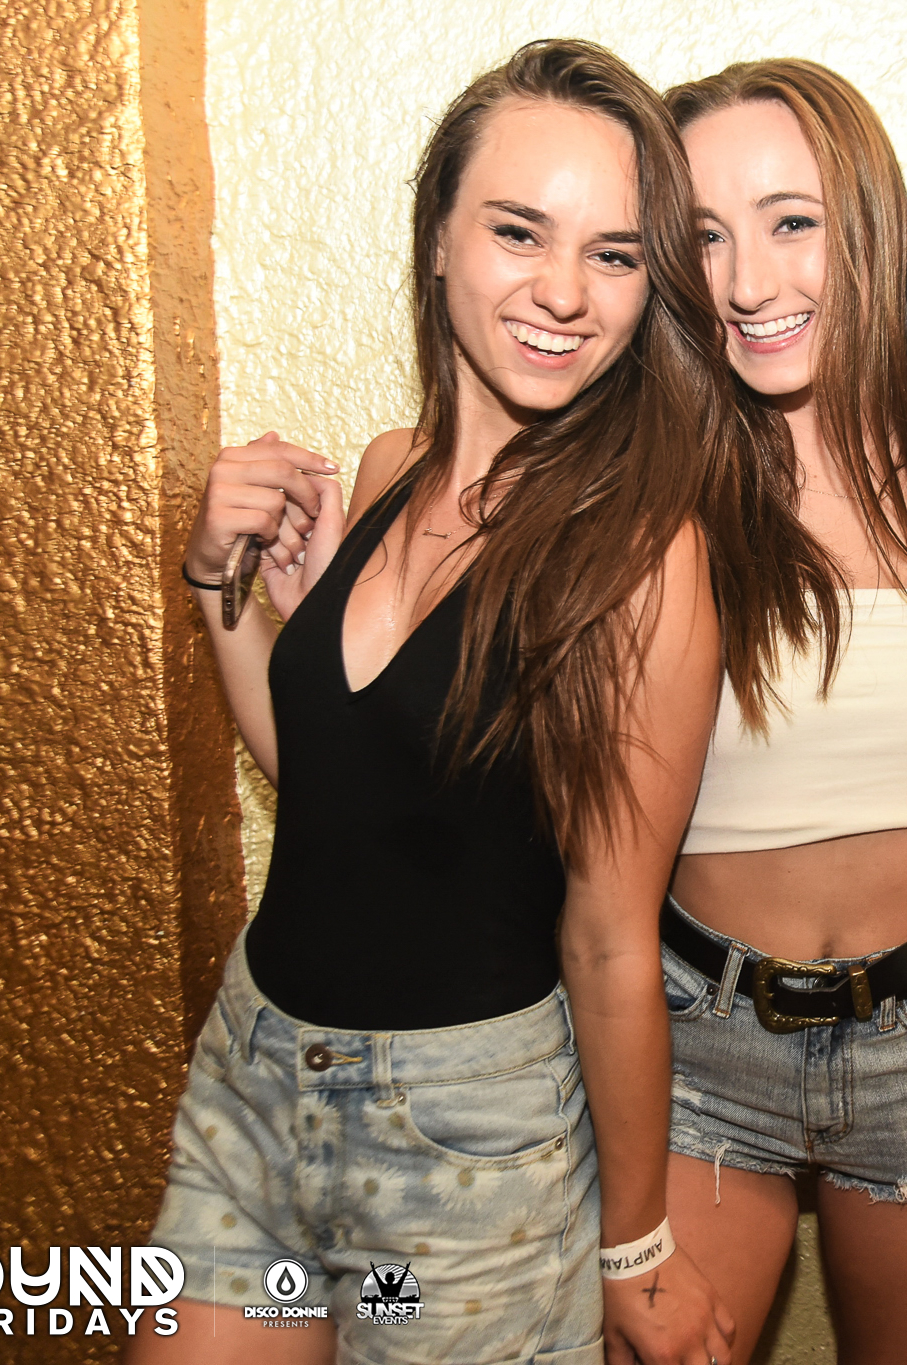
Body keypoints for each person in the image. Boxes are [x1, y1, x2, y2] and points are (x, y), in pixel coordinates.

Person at [134, 40, 750, 1365]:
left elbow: (609, 937)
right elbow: (336, 796)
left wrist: (634, 1245)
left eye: (613, 254)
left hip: (459, 1151)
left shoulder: (643, 555)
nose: (562, 291)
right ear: (437, 239)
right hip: (253, 1079)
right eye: (519, 231)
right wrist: (217, 589)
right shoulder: (387, 470)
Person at [654, 61, 907, 1365]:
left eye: (791, 221)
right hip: (692, 1040)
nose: (749, 280)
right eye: (705, 235)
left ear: (864, 225)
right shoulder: (649, 495)